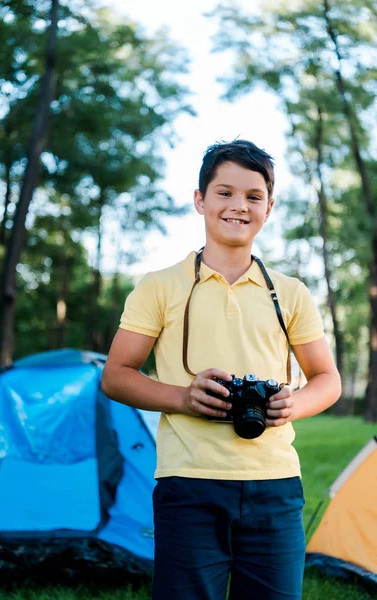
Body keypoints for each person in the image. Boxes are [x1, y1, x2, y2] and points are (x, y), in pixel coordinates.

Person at [101, 140, 341, 600]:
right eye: (225, 192)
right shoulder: (159, 286)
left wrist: (293, 404)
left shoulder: (289, 293)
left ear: (269, 208)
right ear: (200, 200)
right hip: (187, 485)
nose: (238, 206)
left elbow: (327, 380)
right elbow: (116, 375)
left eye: (253, 197)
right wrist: (184, 398)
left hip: (275, 487)